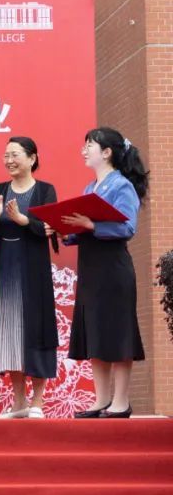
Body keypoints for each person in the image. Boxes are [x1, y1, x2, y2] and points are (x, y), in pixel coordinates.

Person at [64, 127, 148, 419]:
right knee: (96, 333)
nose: (84, 150)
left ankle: (121, 401)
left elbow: (127, 227)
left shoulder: (121, 185)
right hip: (91, 271)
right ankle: (101, 400)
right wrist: (65, 230)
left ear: (107, 152)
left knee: (117, 333)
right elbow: (85, 229)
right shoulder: (91, 188)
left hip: (113, 270)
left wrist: (90, 225)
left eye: (90, 145)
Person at [0, 136, 58, 419]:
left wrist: (25, 221)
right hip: (6, 271)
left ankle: (38, 401)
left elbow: (49, 228)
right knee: (9, 331)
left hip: (34, 273)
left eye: (15, 155)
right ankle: (19, 402)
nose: (9, 160)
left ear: (32, 158)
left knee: (36, 331)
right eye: (6, 155)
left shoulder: (45, 190)